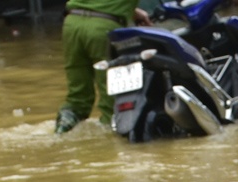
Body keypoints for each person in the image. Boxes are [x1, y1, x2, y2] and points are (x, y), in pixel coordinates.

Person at [55, 0, 162, 134]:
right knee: (111, 97)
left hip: (72, 24)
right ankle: (110, 142)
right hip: (103, 28)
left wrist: (131, 11)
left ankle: (61, 131)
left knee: (77, 97)